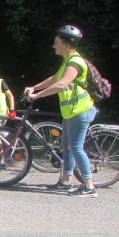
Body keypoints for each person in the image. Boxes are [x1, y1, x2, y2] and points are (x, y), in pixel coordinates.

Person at [24, 25, 98, 197]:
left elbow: (61, 84)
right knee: (67, 147)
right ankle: (66, 181)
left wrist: (36, 96)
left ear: (66, 44)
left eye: (56, 42)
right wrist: (34, 87)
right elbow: (54, 78)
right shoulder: (67, 61)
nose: (53, 45)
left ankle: (89, 185)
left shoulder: (75, 62)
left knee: (76, 147)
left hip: (80, 111)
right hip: (71, 112)